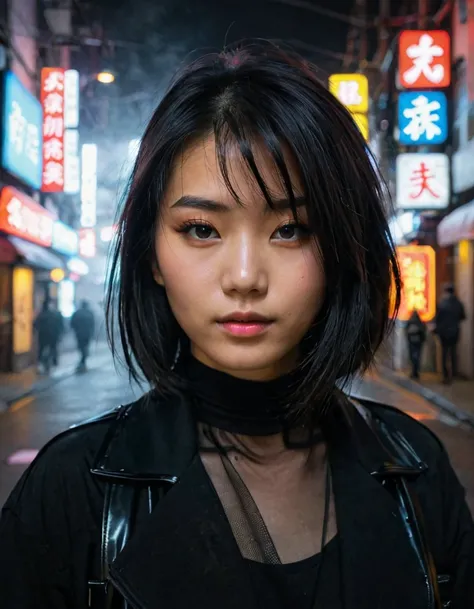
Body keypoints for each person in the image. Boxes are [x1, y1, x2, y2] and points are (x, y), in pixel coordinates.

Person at [0, 43, 472, 609]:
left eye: (291, 229)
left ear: (346, 248)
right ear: (151, 253)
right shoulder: (71, 489)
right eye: (201, 230)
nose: (245, 277)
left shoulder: (416, 466)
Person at [434, 284, 466, 384]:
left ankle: (445, 375)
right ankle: (454, 373)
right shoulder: (458, 303)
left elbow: (437, 319)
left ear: (446, 292)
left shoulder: (442, 303)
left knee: (444, 354)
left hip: (443, 333)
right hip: (454, 332)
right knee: (453, 353)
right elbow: (463, 316)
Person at [33, 300, 64, 373]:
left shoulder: (41, 315)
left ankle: (41, 363)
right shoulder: (56, 314)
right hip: (53, 336)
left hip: (43, 335)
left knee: (41, 349)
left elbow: (35, 325)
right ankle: (53, 361)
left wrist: (39, 330)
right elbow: (60, 325)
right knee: (53, 349)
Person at [70, 300, 95, 372]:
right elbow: (92, 325)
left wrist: (75, 330)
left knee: (81, 347)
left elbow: (72, 323)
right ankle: (83, 361)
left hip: (79, 334)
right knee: (85, 347)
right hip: (87, 334)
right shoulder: (90, 313)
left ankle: (82, 361)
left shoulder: (77, 313)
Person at [405, 310, 426, 380]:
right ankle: (416, 372)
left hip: (411, 342)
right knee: (417, 356)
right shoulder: (420, 322)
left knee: (413, 357)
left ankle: (414, 372)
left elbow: (406, 331)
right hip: (418, 342)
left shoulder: (410, 322)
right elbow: (423, 331)